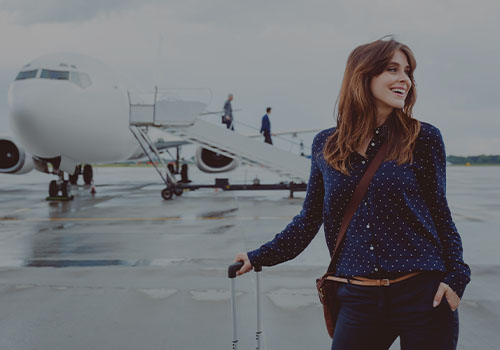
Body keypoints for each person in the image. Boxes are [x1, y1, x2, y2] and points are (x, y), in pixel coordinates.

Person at [234, 37, 470, 350]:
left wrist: (457, 277)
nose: (405, 79)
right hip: (358, 298)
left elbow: (440, 211)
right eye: (392, 69)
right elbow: (309, 218)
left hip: (423, 294)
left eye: (408, 72)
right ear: (363, 76)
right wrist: (259, 256)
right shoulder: (326, 145)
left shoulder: (423, 138)